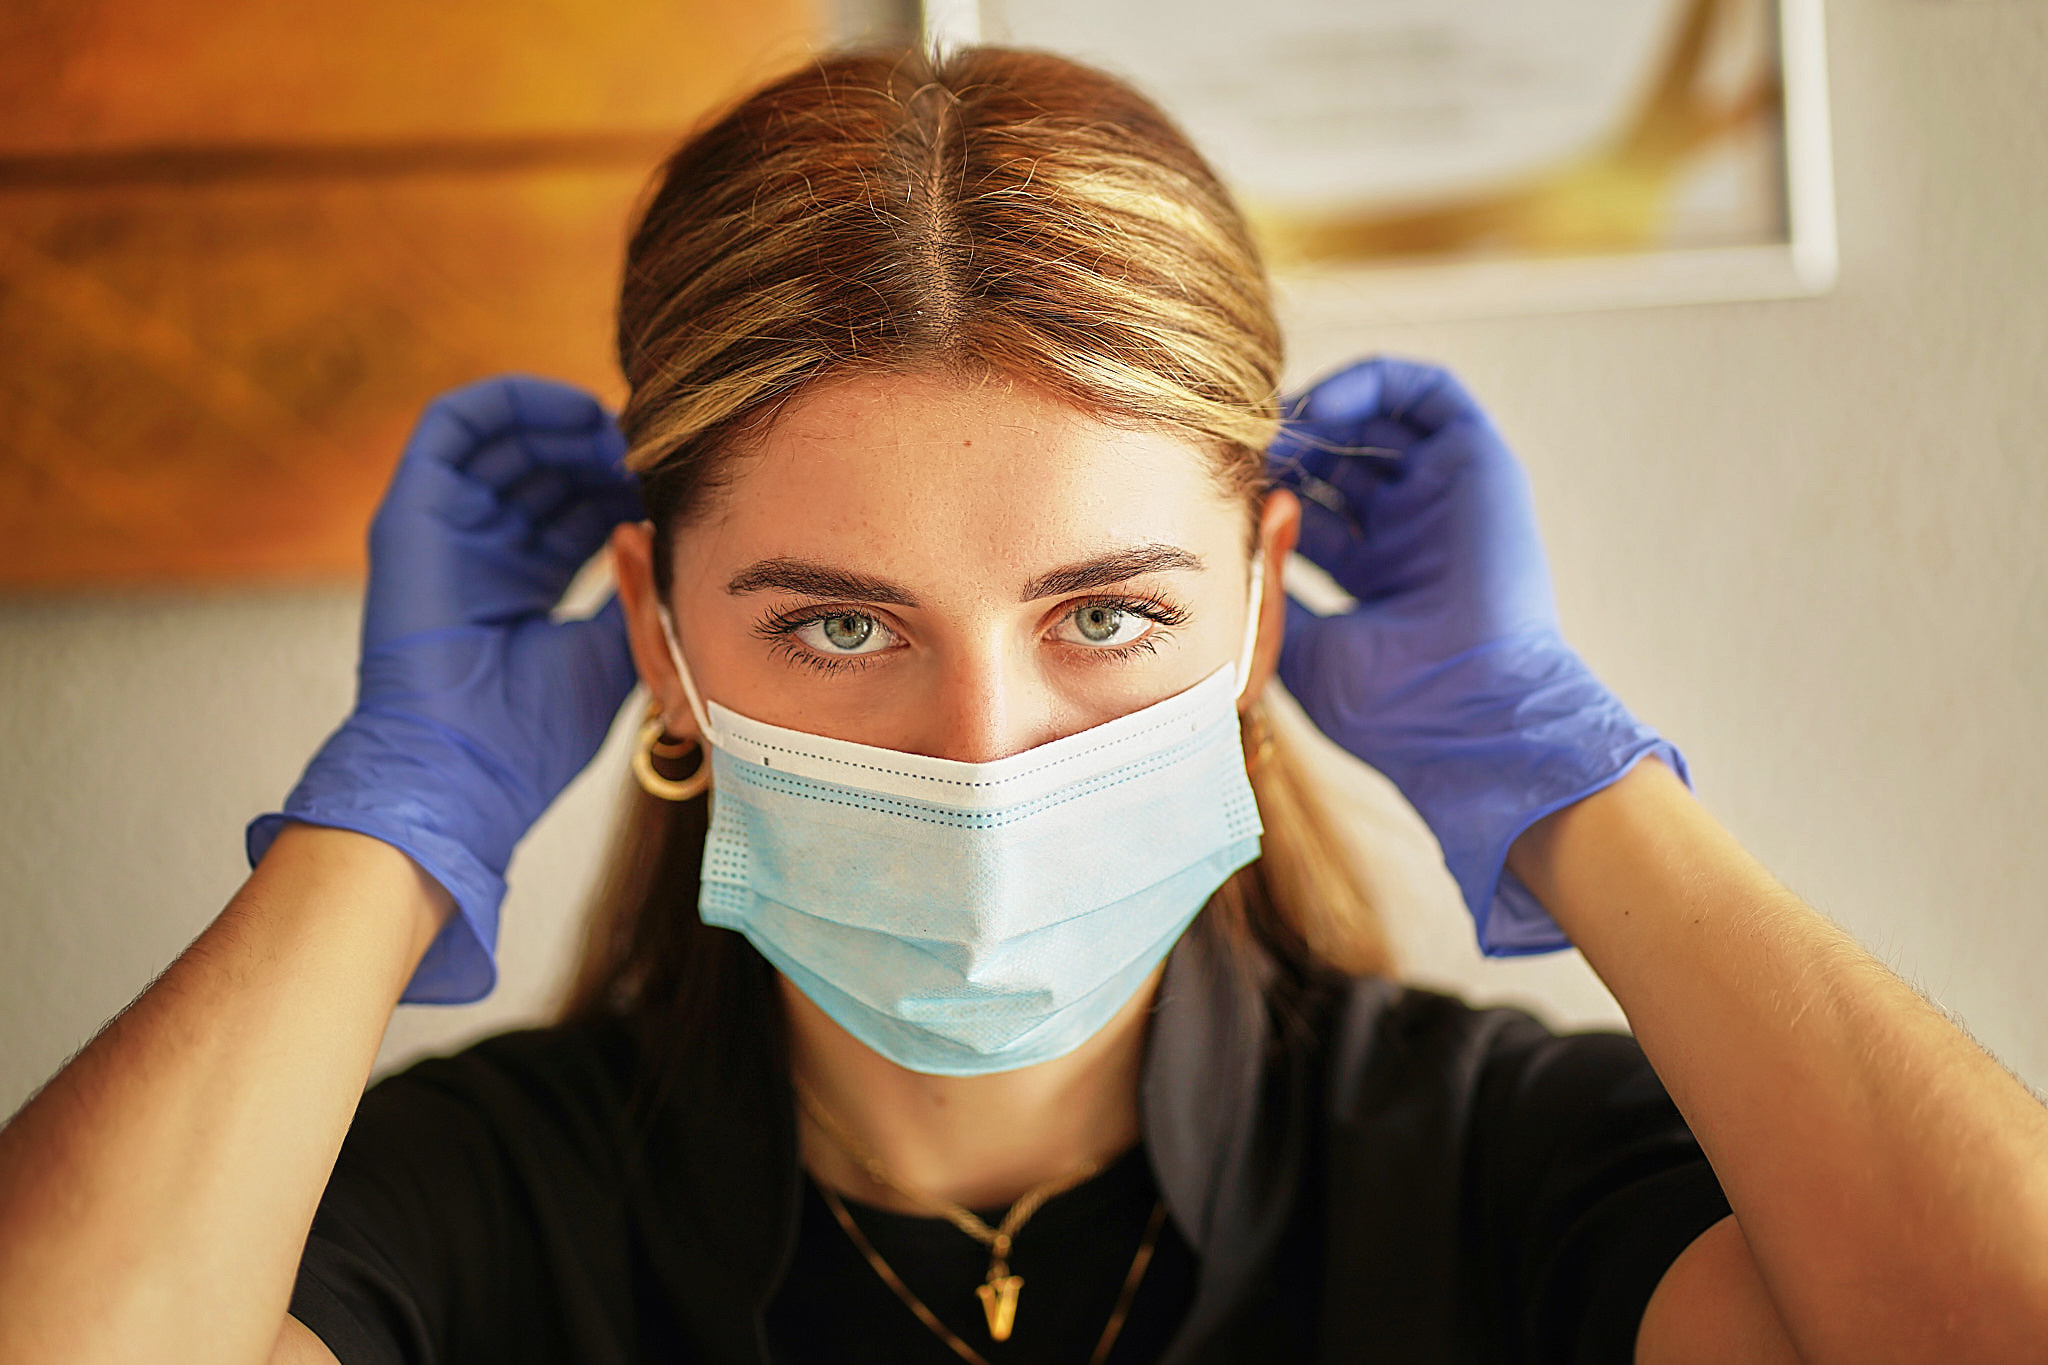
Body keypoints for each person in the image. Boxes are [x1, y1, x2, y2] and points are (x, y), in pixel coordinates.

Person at [1, 43, 2044, 1365]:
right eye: (835, 626)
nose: (987, 748)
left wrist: (1580, 785)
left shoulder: (1492, 1167)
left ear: (1257, 599)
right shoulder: (474, 1211)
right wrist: (390, 820)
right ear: (663, 627)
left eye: (1104, 611)